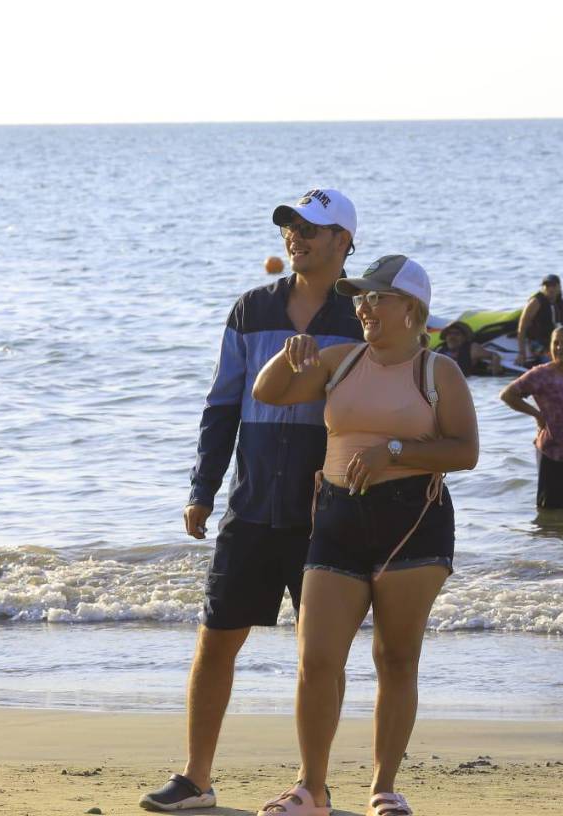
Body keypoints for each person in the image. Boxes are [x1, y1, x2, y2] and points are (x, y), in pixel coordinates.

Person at [140, 189, 364, 812]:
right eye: (291, 226)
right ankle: (195, 778)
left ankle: (312, 787)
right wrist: (201, 490)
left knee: (318, 657)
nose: (296, 236)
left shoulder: (361, 318)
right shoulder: (250, 309)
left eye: (311, 228)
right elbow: (222, 404)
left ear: (344, 241)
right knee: (216, 640)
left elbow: (381, 407)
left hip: (328, 512)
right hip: (252, 504)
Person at [252, 254, 479, 816]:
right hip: (336, 517)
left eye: (377, 298)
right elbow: (268, 392)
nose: (364, 307)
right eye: (360, 298)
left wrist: (394, 452)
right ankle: (312, 788)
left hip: (413, 521)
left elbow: (465, 452)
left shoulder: (437, 372)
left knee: (396, 658)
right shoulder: (341, 359)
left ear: (413, 310)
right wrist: (289, 355)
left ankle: (384, 787)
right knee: (317, 659)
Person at [500, 326, 563, 508]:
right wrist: (537, 415)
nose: (560, 347)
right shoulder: (542, 374)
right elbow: (508, 395)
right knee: (551, 515)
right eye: (556, 343)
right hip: (554, 453)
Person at [434, 320, 502, 376]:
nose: (452, 337)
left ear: (465, 337)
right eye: (449, 333)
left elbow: (495, 356)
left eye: (457, 334)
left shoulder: (472, 349)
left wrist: (495, 372)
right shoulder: (439, 350)